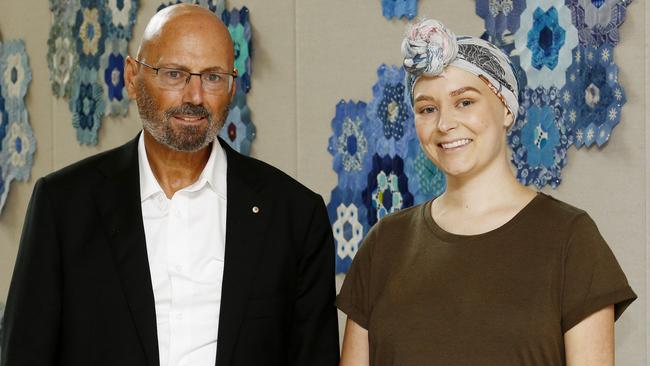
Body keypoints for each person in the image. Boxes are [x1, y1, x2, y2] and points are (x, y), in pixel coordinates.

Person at [1, 4, 339, 366]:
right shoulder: (64, 206)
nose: (195, 97)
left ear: (233, 86)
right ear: (132, 77)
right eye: (174, 74)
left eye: (212, 77)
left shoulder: (294, 216)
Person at [337, 19, 636, 366]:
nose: (445, 123)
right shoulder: (384, 244)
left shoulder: (570, 239)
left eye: (464, 102)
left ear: (507, 107)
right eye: (427, 109)